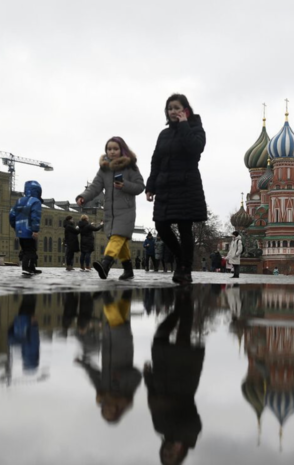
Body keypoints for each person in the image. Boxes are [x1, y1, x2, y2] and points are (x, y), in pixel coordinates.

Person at [146, 94, 207, 285]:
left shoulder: (196, 128)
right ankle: (182, 258)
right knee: (161, 226)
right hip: (165, 186)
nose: (173, 111)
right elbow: (156, 160)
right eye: (170, 108)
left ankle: (185, 269)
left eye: (177, 108)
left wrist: (183, 125)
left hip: (186, 185)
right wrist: (151, 186)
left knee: (184, 227)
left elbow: (195, 149)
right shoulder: (163, 134)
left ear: (186, 110)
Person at [144, 288, 204, 465]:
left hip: (162, 375)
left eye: (164, 455)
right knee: (183, 335)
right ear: (180, 455)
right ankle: (186, 301)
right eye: (171, 456)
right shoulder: (190, 436)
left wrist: (148, 377)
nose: (168, 452)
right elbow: (195, 421)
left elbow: (151, 401)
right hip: (182, 380)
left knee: (160, 335)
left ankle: (179, 307)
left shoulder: (159, 428)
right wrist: (181, 439)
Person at [76, 137, 145, 281]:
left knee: (117, 237)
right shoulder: (104, 169)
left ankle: (106, 263)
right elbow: (95, 187)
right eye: (109, 149)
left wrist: (124, 185)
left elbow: (140, 186)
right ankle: (128, 270)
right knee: (121, 242)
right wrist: (83, 197)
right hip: (110, 212)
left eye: (115, 149)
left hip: (126, 211)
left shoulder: (130, 167)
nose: (112, 152)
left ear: (122, 150)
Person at [76, 290, 142, 424]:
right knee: (116, 322)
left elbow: (94, 376)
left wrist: (83, 364)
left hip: (108, 345)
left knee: (119, 318)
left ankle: (127, 293)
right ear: (117, 411)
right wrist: (121, 376)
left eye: (105, 411)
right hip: (123, 348)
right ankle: (106, 296)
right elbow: (137, 375)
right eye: (110, 412)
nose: (107, 409)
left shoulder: (103, 393)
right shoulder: (127, 394)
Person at [10, 180, 43, 275]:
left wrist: (15, 226)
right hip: (29, 230)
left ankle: (32, 267)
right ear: (37, 191)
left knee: (25, 249)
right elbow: (35, 217)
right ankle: (26, 268)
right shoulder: (35, 201)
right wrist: (35, 230)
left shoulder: (19, 200)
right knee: (31, 250)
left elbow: (11, 214)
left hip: (20, 230)